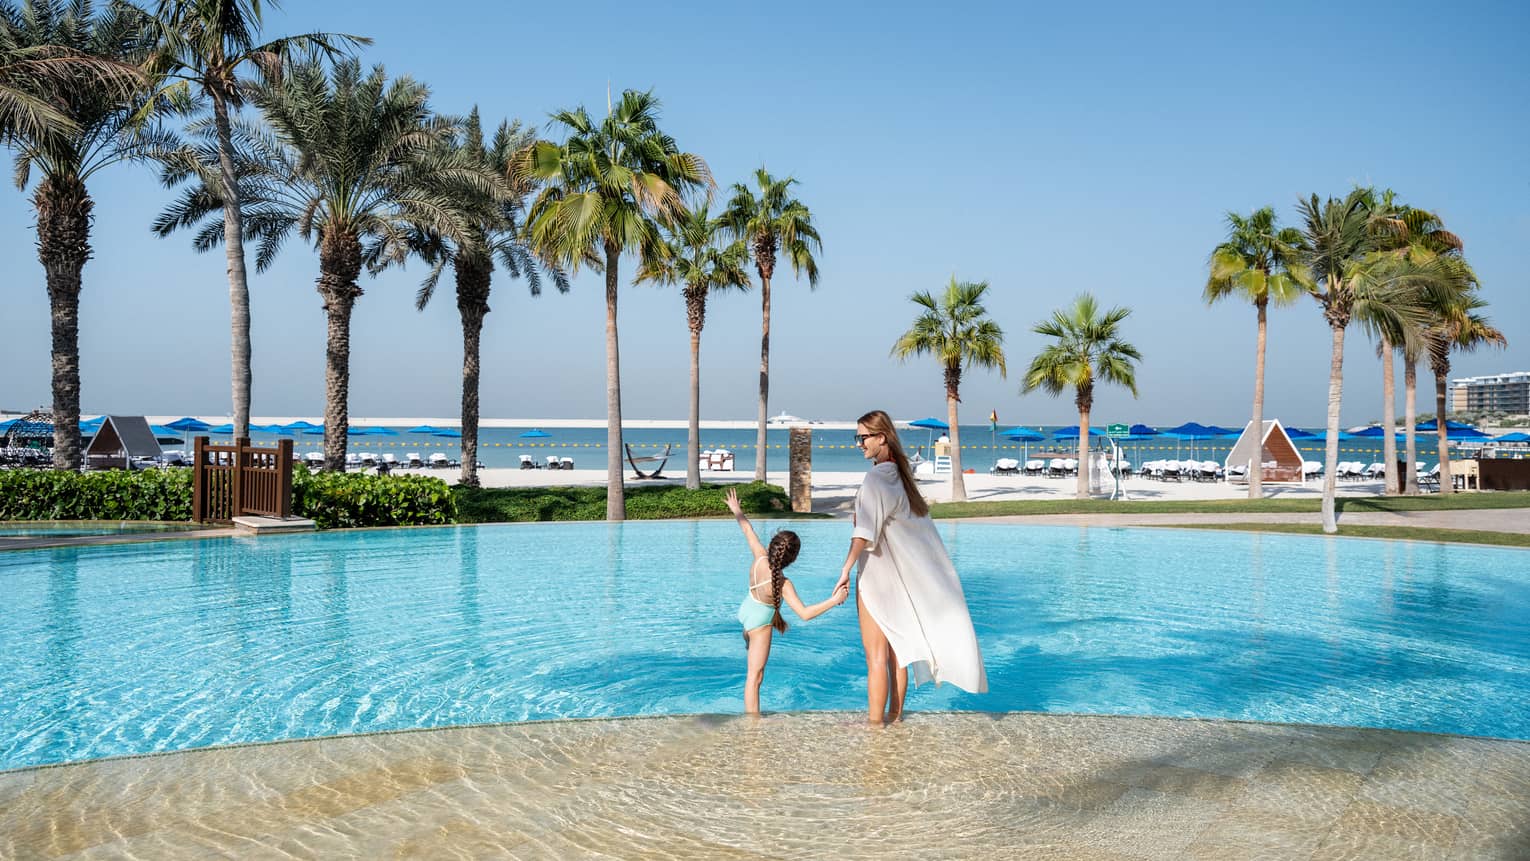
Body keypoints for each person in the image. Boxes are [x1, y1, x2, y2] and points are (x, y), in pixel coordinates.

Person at [837, 409, 987, 724]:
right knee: (897, 657)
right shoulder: (902, 478)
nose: (859, 444)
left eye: (863, 438)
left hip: (876, 581)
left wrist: (845, 569)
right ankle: (895, 718)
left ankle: (876, 729)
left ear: (881, 437)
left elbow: (863, 533)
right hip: (898, 585)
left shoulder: (877, 478)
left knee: (876, 658)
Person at [725, 487, 849, 714]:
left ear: (773, 547)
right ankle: (752, 727)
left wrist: (737, 509)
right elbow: (805, 614)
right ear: (792, 559)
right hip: (760, 623)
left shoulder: (760, 558)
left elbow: (747, 529)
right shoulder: (783, 584)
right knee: (755, 677)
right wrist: (835, 599)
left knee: (753, 669)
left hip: (747, 609)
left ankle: (748, 638)